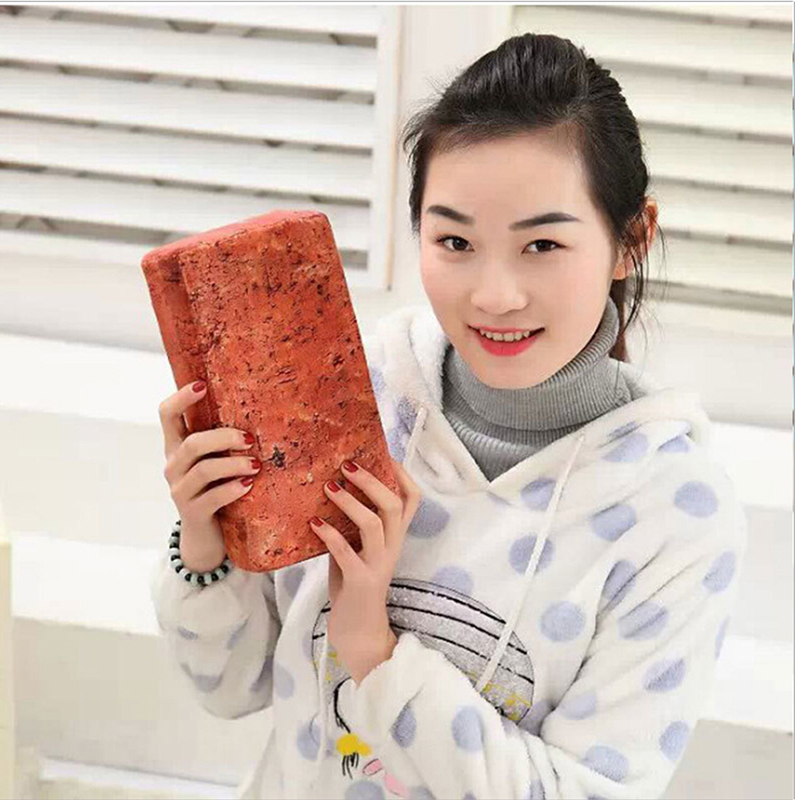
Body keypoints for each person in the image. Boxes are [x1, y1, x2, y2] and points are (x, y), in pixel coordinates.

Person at [150, 32, 747, 800]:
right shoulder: (358, 397)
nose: (494, 295)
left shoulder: (677, 513)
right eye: (455, 240)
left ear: (631, 239)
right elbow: (229, 685)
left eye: (541, 244)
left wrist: (373, 650)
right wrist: (206, 544)